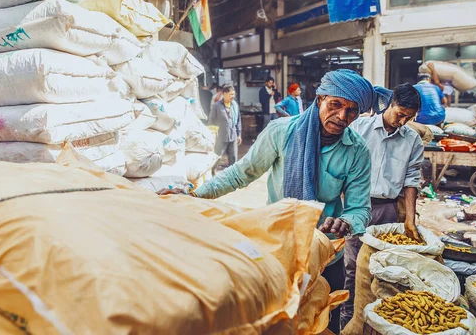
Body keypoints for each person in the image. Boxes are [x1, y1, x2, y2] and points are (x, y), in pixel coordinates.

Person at [160, 69, 393, 333]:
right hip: (279, 246)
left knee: (321, 320)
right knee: (277, 320)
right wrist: (194, 195)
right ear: (319, 99)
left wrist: (346, 223)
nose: (342, 116)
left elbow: (359, 208)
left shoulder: (356, 150)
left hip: (326, 253)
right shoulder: (283, 132)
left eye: (352, 111)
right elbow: (241, 172)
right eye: (335, 105)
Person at [341, 83, 424, 328]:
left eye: (408, 118)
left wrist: (409, 218)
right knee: (353, 265)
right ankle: (349, 318)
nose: (402, 122)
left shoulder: (412, 140)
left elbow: (411, 181)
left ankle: (378, 321)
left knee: (384, 268)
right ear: (390, 103)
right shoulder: (359, 128)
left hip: (388, 209)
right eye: (400, 114)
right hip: (357, 206)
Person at [208, 85, 242, 166]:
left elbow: (238, 121)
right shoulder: (216, 106)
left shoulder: (235, 105)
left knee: (233, 158)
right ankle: (213, 173)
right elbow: (211, 121)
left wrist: (239, 134)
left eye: (234, 94)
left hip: (232, 135)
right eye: (231, 94)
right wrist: (212, 135)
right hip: (220, 136)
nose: (233, 96)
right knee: (217, 157)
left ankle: (232, 176)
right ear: (224, 94)